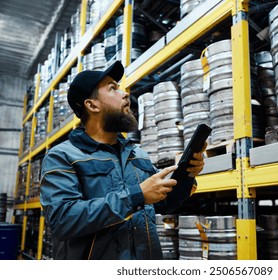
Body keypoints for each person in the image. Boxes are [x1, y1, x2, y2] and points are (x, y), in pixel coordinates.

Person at [40, 61, 206, 260]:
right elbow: (63, 220)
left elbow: (163, 203)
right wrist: (137, 197)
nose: (125, 94)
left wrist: (187, 174)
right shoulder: (63, 156)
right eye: (113, 89)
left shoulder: (137, 154)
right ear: (92, 105)